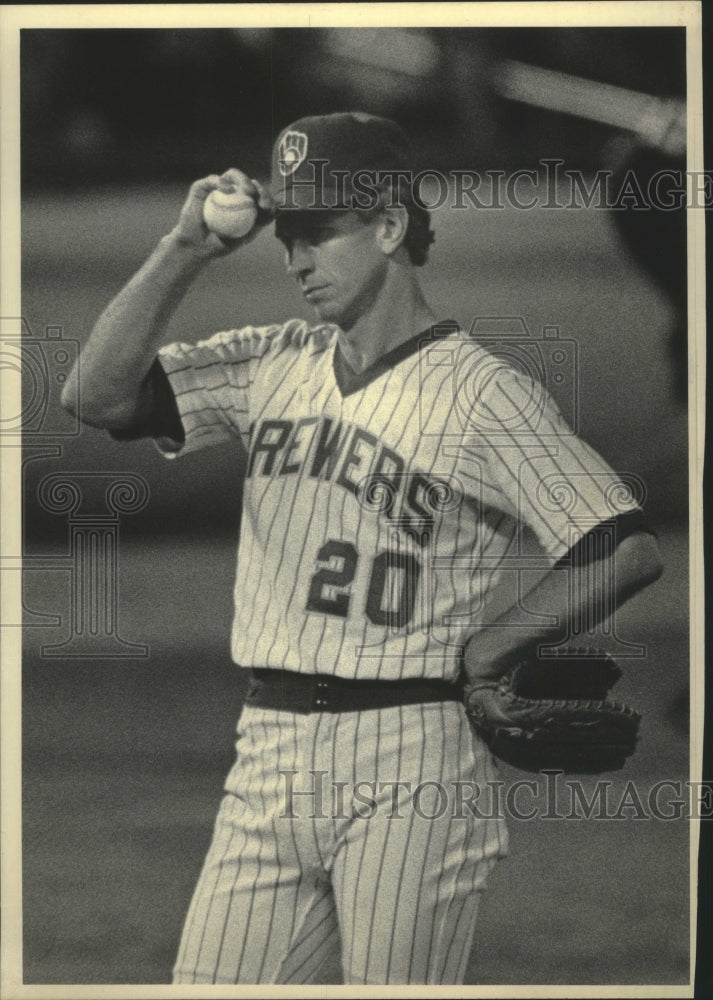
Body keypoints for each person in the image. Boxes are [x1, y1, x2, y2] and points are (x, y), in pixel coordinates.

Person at [62, 112, 663, 985]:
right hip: (265, 755)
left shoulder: (483, 395)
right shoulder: (268, 362)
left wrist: (497, 641)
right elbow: (94, 395)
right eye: (287, 234)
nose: (295, 258)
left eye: (319, 231)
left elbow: (620, 545)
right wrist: (183, 249)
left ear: (387, 225)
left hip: (411, 761)